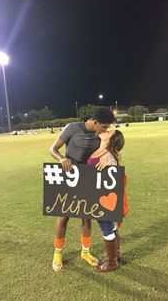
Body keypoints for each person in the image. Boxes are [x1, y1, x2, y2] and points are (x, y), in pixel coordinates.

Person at [49, 107, 114, 272]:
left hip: (87, 177)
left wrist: (108, 161)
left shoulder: (100, 135)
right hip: (70, 176)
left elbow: (111, 152)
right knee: (64, 215)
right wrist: (62, 158)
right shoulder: (72, 128)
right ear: (95, 122)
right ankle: (58, 253)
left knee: (86, 216)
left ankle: (85, 252)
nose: (106, 130)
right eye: (104, 127)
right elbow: (53, 149)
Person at [87, 129, 125, 272]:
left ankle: (111, 263)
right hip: (97, 195)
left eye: (109, 132)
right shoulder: (99, 150)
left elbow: (114, 173)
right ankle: (115, 255)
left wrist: (110, 164)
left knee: (106, 227)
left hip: (103, 198)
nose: (106, 130)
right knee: (110, 225)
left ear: (111, 139)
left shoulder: (108, 155)